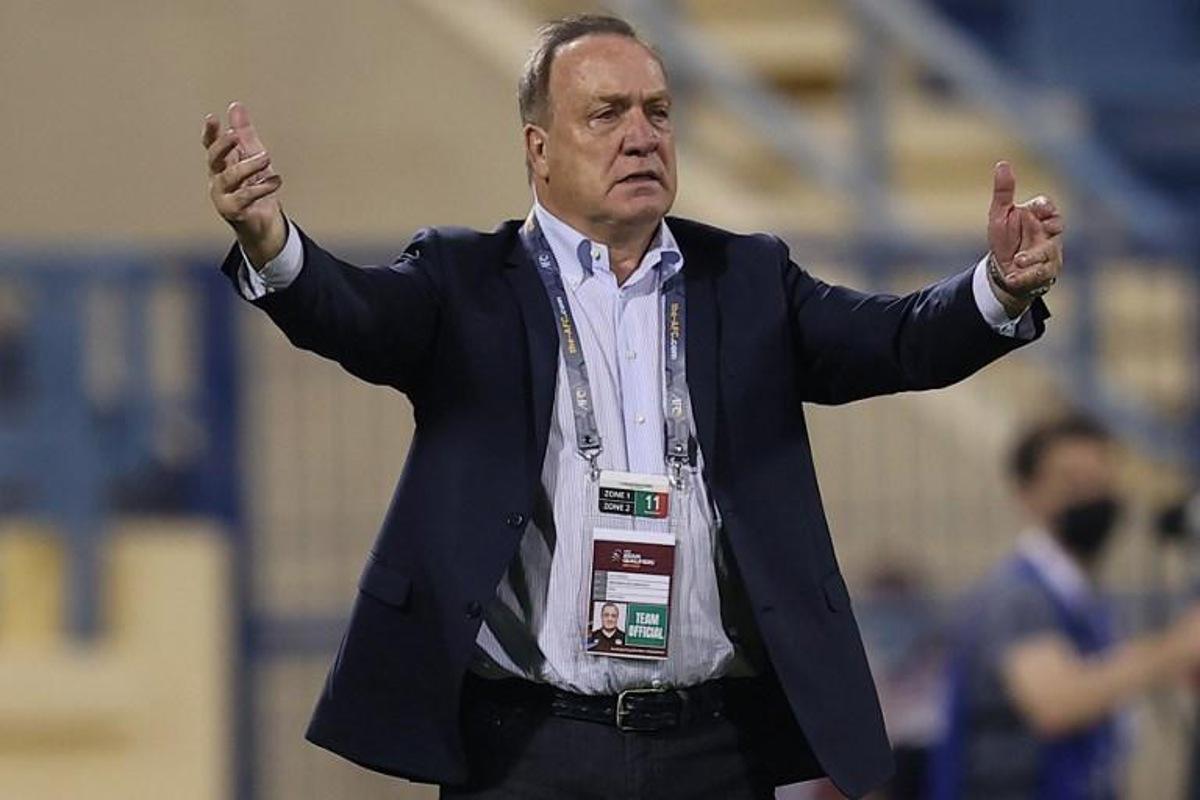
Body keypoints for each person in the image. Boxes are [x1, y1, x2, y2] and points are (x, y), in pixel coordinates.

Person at [201, 13, 1062, 800]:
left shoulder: (747, 279)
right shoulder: (465, 282)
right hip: (525, 749)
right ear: (539, 148)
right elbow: (354, 314)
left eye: (658, 112)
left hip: (714, 747)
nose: (642, 136)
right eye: (607, 114)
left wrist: (998, 286)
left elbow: (895, 338)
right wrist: (272, 242)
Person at [930, 415, 1200, 799]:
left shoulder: (1080, 599)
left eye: (1101, 482)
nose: (1090, 496)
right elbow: (1055, 703)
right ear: (1027, 494)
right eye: (1072, 483)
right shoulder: (1017, 595)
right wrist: (1175, 650)